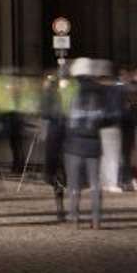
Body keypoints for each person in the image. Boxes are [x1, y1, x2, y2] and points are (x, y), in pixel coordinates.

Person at [63, 58, 114, 229]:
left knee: (74, 183)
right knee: (95, 183)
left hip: (73, 143)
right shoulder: (101, 91)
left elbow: (64, 115)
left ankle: (75, 217)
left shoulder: (71, 90)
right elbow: (106, 117)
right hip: (94, 143)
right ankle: (96, 219)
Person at [40, 72, 69, 222]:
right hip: (65, 135)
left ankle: (60, 204)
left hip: (53, 135)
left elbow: (43, 113)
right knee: (61, 170)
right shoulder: (64, 95)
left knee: (53, 171)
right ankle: (61, 203)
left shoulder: (48, 95)